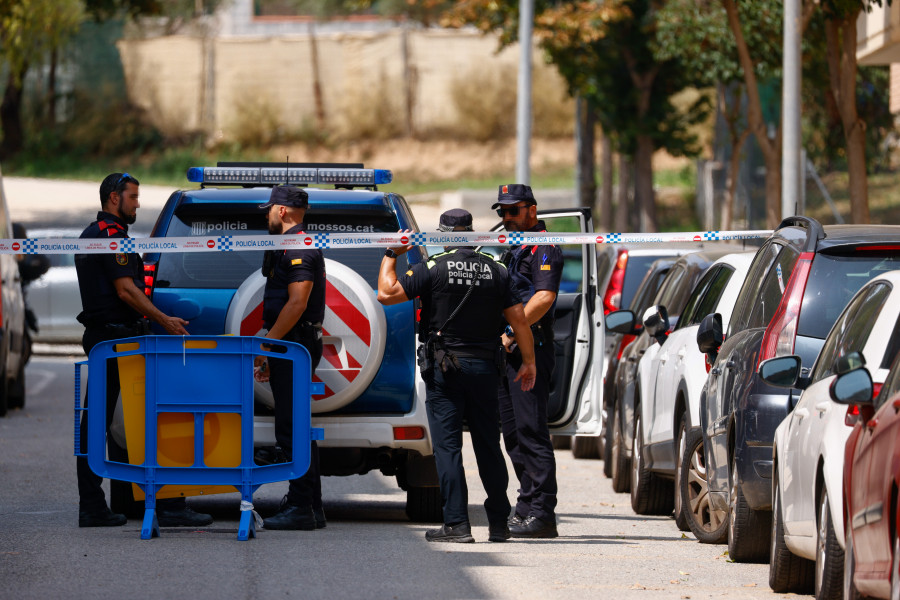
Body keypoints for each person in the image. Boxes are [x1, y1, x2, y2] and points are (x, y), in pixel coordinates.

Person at [377, 208, 537, 543]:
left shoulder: (433, 267)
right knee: (488, 447)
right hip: (484, 368)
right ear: (472, 232)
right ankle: (498, 524)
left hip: (445, 369)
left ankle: (457, 525)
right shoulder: (497, 270)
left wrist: (391, 254)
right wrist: (529, 362)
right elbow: (520, 320)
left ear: (443, 233)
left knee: (448, 448)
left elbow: (386, 294)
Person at [75, 172, 212, 528]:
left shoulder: (96, 235)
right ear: (113, 198)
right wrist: (165, 320)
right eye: (133, 197)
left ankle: (105, 504)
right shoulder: (110, 237)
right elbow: (126, 291)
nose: (138, 203)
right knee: (142, 419)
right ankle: (162, 505)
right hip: (117, 341)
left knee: (109, 423)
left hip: (111, 339)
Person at [254, 185, 326, 531]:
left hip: (293, 345)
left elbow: (297, 303)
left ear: (281, 211)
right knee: (296, 423)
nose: (266, 215)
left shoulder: (299, 246)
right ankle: (311, 505)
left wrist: (267, 347)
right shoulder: (286, 245)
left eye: (269, 209)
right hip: (290, 344)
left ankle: (300, 507)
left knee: (292, 427)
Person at [494, 183, 564, 538]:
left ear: (531, 210)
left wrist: (510, 332)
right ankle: (526, 505)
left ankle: (542, 513)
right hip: (509, 353)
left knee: (532, 432)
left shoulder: (543, 246)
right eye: (501, 212)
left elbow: (545, 296)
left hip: (530, 349)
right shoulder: (512, 246)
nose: (505, 218)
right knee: (513, 434)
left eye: (513, 211)